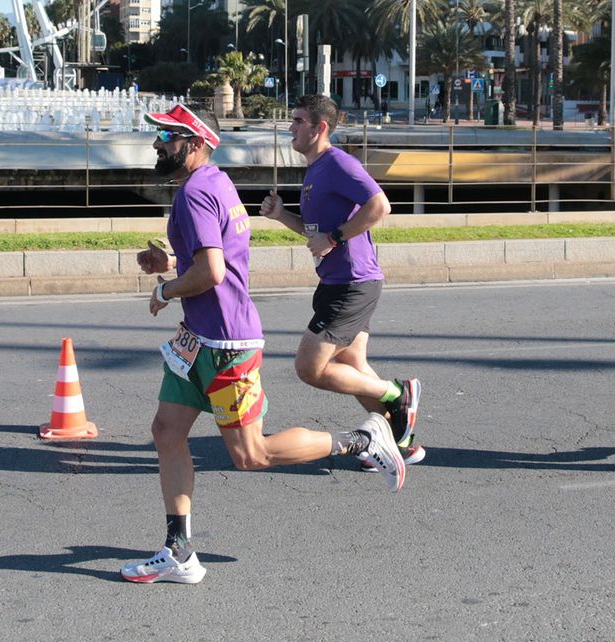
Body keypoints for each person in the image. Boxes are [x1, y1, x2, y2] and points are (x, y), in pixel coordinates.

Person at [122, 103, 405, 585]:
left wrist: (165, 289)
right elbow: (219, 257)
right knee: (166, 432)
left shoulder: (194, 194)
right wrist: (169, 261)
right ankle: (178, 550)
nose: (157, 146)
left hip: (226, 343)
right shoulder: (214, 183)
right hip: (198, 339)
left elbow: (211, 273)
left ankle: (362, 439)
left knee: (250, 455)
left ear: (194, 144)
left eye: (167, 138)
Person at [260, 94, 424, 469]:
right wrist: (283, 215)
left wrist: (335, 238)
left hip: (353, 282)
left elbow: (380, 206)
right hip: (337, 281)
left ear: (320, 128)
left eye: (298, 121)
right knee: (353, 365)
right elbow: (315, 233)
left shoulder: (338, 164)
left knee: (310, 368)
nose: (291, 128)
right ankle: (398, 444)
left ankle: (398, 394)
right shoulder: (316, 169)